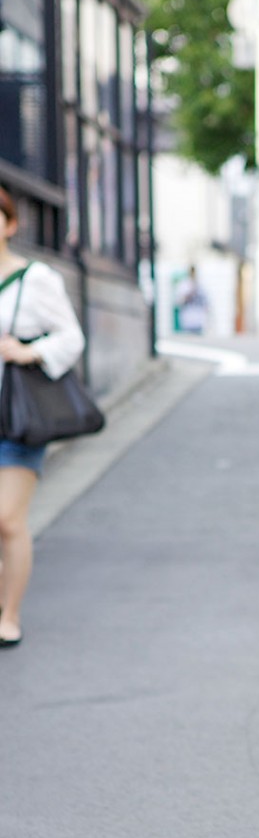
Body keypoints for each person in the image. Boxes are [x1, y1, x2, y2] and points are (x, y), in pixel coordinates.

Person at [0, 185, 86, 647]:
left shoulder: (36, 279)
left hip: (15, 414)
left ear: (10, 224)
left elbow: (71, 339)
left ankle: (8, 614)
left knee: (8, 520)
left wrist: (28, 352)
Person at [175, 265, 208, 334]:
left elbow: (205, 302)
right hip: (187, 321)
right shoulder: (184, 285)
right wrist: (190, 294)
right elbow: (178, 302)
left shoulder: (200, 285)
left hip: (199, 321)